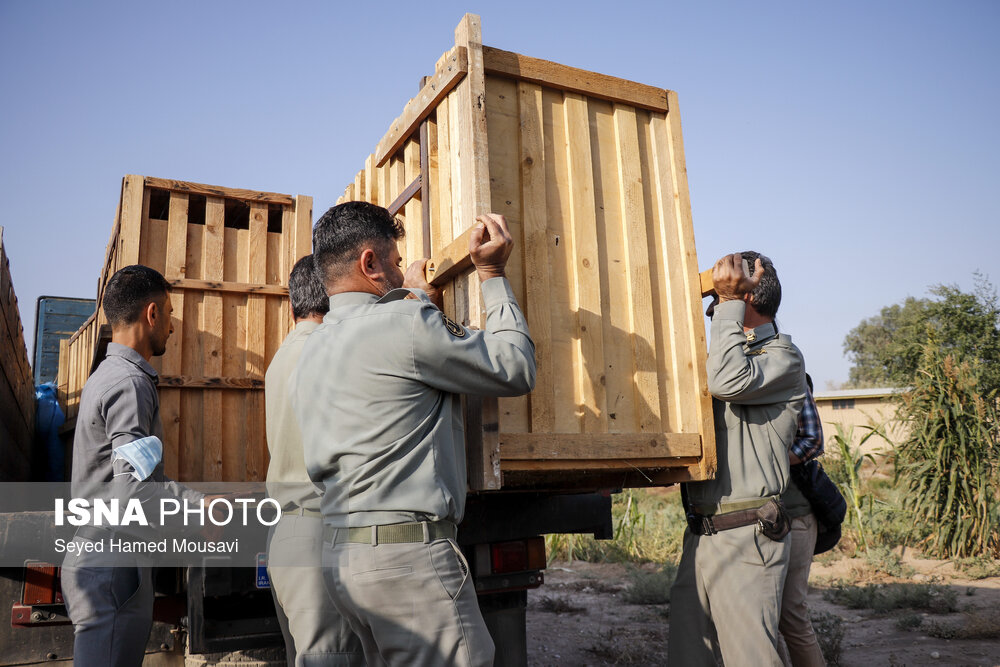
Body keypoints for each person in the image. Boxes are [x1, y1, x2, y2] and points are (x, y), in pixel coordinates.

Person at [292, 201, 536, 666]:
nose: (402, 272)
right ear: (370, 263)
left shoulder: (316, 344)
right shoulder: (405, 324)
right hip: (406, 565)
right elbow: (516, 367)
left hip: (344, 558)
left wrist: (416, 302)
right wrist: (492, 275)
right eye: (397, 262)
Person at [668, 251, 807, 666]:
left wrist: (729, 306)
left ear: (747, 298)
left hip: (747, 535)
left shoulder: (783, 356)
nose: (714, 309)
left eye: (722, 298)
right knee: (690, 657)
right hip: (702, 534)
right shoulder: (721, 357)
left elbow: (730, 381)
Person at [61, 265, 205, 666]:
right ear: (152, 314)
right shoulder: (129, 383)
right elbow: (133, 489)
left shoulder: (107, 375)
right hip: (112, 564)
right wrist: (197, 505)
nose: (173, 327)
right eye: (171, 314)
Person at [264, 254, 364, 667]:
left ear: (293, 304)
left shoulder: (281, 357)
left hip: (286, 533)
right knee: (333, 656)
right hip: (321, 532)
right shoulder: (331, 353)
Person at [778, 374, 826, 666]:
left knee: (790, 613)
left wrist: (765, 462)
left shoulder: (788, 371)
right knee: (763, 618)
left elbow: (812, 440)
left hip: (794, 515)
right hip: (756, 517)